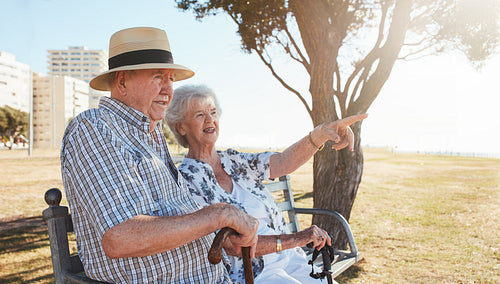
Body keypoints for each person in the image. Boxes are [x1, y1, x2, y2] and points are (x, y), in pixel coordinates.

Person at [60, 27, 259, 283]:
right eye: (158, 77)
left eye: (171, 79)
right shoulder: (95, 127)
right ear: (121, 81)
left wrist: (217, 232)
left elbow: (171, 216)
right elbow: (120, 237)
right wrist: (219, 214)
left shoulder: (150, 135)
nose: (168, 89)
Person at [166, 84, 368, 283]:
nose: (210, 119)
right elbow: (232, 245)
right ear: (181, 126)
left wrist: (323, 132)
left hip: (290, 257)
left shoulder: (233, 160)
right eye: (199, 114)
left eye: (212, 112)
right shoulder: (186, 181)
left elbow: (282, 162)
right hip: (254, 271)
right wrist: (296, 239)